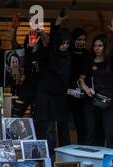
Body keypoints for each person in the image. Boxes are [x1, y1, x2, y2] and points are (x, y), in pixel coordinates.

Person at [34, 26, 73, 155]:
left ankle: (65, 160)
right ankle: (47, 159)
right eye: (62, 43)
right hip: (45, 95)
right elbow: (47, 46)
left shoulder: (68, 56)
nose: (65, 46)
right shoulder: (49, 54)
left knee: (63, 128)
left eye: (67, 43)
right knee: (46, 129)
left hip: (61, 96)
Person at [78, 34, 112, 148]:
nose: (97, 48)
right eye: (95, 46)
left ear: (105, 47)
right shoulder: (89, 61)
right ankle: (90, 161)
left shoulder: (110, 63)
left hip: (108, 102)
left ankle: (109, 163)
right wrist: (86, 88)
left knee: (109, 132)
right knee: (91, 131)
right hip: (92, 101)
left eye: (100, 46)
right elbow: (81, 79)